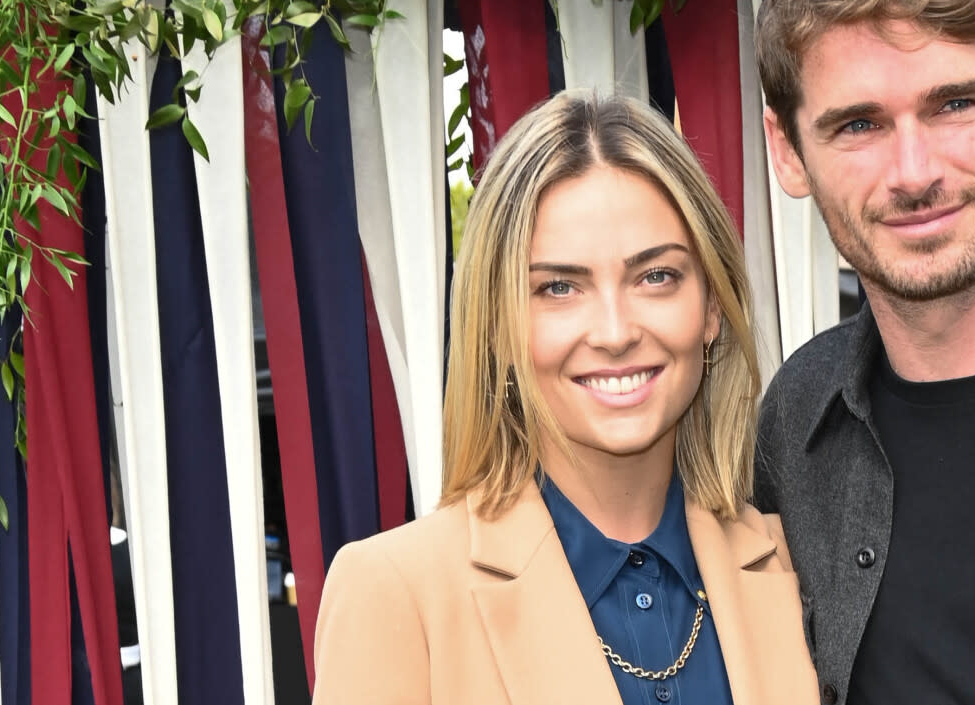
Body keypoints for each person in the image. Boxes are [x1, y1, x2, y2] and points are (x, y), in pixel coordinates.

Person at [312, 91, 817, 705]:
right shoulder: (397, 593)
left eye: (656, 276)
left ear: (712, 307)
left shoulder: (797, 562)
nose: (615, 331)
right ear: (497, 327)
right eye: (558, 287)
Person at [753, 2, 975, 704]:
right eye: (859, 124)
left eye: (954, 104)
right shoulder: (798, 420)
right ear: (787, 150)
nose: (913, 173)